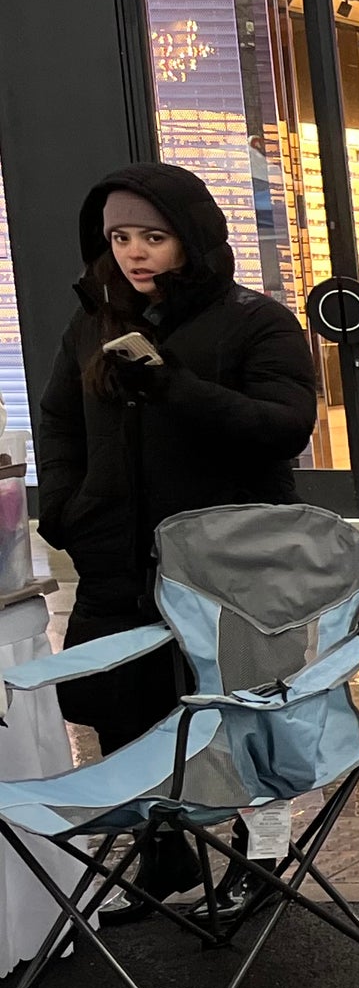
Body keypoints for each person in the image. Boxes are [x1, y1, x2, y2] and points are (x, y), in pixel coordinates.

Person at [32, 164, 318, 887]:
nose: (135, 252)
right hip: (115, 560)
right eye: (121, 237)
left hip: (228, 563)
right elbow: (61, 420)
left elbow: (285, 427)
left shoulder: (256, 321)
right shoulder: (93, 320)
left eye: (153, 237)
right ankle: (163, 857)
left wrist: (176, 389)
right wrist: (67, 507)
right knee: (118, 706)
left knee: (241, 714)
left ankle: (260, 861)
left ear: (191, 238)